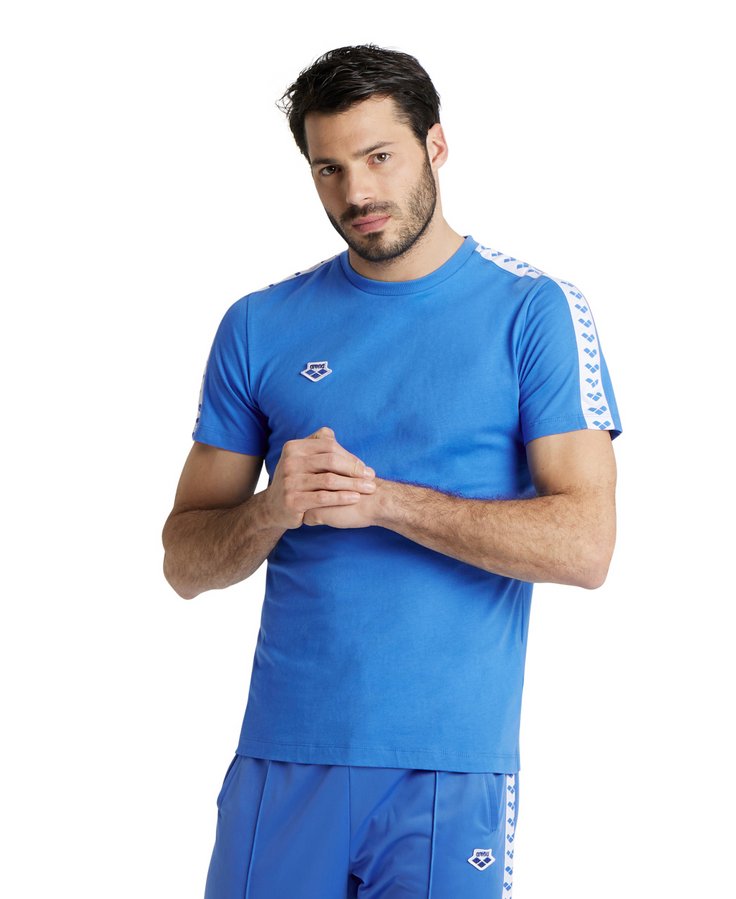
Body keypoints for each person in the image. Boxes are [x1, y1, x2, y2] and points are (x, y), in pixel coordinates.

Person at [162, 44, 622, 899]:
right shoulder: (259, 324)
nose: (358, 193)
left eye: (379, 157)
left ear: (436, 145)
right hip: (282, 758)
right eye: (329, 169)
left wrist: (385, 501)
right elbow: (183, 563)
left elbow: (586, 545)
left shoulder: (534, 311)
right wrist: (270, 509)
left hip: (447, 769)